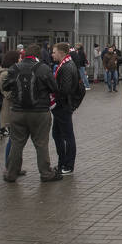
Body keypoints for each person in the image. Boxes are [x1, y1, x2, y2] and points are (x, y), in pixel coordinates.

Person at [1, 44, 64, 183]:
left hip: (17, 111)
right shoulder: (43, 68)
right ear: (38, 55)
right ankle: (46, 173)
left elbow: (5, 86)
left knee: (16, 143)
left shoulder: (14, 68)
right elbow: (54, 88)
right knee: (41, 143)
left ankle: (11, 173)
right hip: (39, 112)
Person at [50, 43, 83, 174]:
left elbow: (66, 89)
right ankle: (62, 162)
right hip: (62, 106)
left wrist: (53, 93)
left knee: (67, 135)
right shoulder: (66, 64)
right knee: (57, 134)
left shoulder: (67, 67)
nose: (52, 54)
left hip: (63, 107)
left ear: (62, 53)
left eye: (54, 52)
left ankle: (68, 165)